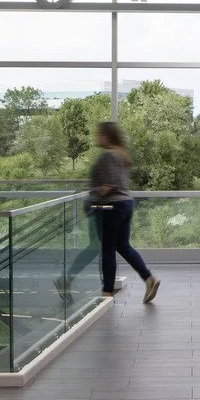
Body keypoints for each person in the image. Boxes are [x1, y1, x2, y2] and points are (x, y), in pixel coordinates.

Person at [55, 122, 160, 304]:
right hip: (125, 203)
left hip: (110, 207)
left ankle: (107, 293)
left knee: (107, 250)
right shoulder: (120, 155)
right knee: (122, 246)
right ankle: (149, 279)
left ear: (106, 136)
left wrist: (90, 193)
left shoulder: (108, 156)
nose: (97, 137)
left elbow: (107, 187)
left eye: (99, 134)